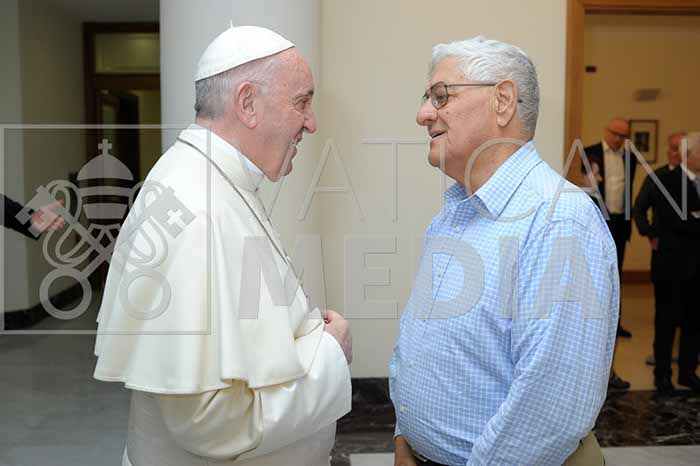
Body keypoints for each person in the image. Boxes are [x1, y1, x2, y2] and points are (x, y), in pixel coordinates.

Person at [93, 26, 352, 466]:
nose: (311, 122)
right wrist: (329, 354)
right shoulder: (198, 205)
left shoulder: (209, 178)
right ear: (247, 103)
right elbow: (210, 422)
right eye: (301, 102)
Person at [390, 36, 615, 466]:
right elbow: (420, 344)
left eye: (441, 96)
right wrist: (406, 437)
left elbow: (548, 409)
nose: (423, 114)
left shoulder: (558, 220)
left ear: (503, 101)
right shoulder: (452, 216)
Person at [634, 132, 700, 394]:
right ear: (688, 154)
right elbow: (675, 220)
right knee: (666, 322)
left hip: (696, 266)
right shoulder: (663, 180)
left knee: (693, 322)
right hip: (670, 265)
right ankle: (662, 375)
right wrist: (651, 233)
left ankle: (688, 373)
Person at [583, 117, 635, 340]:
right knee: (594, 273)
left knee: (616, 274)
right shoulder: (589, 153)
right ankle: (593, 325)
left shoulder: (630, 158)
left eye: (623, 136)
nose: (618, 139)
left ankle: (615, 324)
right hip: (597, 221)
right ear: (606, 131)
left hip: (620, 223)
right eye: (615, 133)